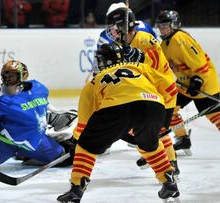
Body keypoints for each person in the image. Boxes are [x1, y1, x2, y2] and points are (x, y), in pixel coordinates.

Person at [58, 43, 180, 203]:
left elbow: (83, 124)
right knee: (149, 145)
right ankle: (169, 182)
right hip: (152, 105)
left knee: (86, 146)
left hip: (116, 109)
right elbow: (171, 88)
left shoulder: (94, 82)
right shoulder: (139, 68)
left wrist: (77, 141)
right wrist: (163, 117)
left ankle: (76, 188)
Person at [90, 2, 180, 174]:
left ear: (125, 26)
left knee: (156, 132)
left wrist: (140, 56)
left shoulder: (144, 39)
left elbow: (156, 64)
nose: (111, 31)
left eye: (115, 27)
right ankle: (166, 161)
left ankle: (170, 164)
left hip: (163, 92)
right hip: (150, 92)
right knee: (150, 131)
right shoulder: (124, 44)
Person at [156, 10, 220, 155]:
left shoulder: (180, 38)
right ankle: (182, 138)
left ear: (174, 25)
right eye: (160, 26)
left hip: (204, 84)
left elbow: (200, 62)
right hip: (185, 86)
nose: (162, 28)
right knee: (169, 108)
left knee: (216, 117)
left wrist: (197, 81)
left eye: (165, 25)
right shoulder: (165, 44)